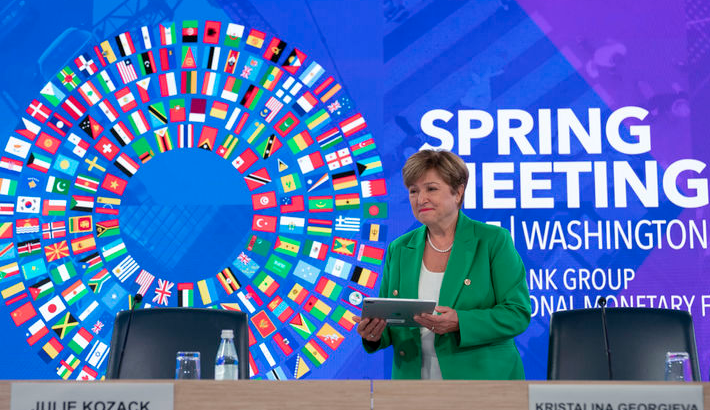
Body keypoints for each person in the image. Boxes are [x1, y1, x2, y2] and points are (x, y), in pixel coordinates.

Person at [354, 149, 531, 379]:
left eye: (431, 189)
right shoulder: (399, 249)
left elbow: (517, 313)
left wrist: (461, 322)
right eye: (413, 191)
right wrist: (375, 333)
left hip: (483, 382)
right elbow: (393, 321)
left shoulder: (493, 240)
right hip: (413, 386)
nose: (421, 199)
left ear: (458, 192)